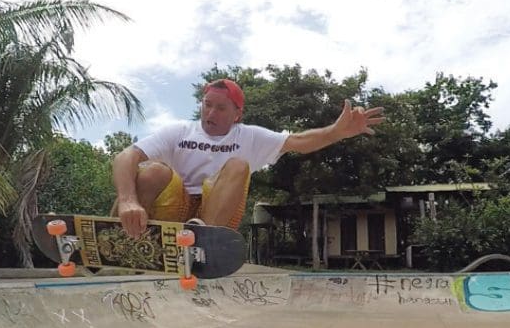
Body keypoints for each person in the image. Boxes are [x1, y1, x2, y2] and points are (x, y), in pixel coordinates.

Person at [112, 78, 385, 238]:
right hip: (175, 206)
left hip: (216, 214)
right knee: (153, 171)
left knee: (239, 165)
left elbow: (298, 142)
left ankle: (204, 239)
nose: (211, 114)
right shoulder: (180, 131)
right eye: (207, 105)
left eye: (221, 108)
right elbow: (127, 155)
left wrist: (337, 132)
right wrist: (127, 200)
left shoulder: (249, 136)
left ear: (237, 114)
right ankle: (120, 236)